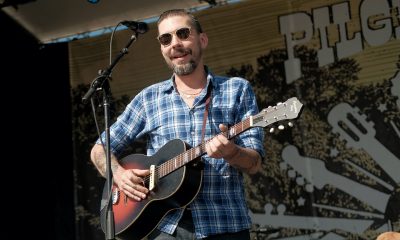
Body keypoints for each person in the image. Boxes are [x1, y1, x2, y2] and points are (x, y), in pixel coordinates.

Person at [90, 9, 265, 239]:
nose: (175, 43)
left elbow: (254, 163)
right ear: (162, 48)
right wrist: (119, 175)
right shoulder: (149, 98)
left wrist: (231, 152)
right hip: (165, 229)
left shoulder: (237, 89)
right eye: (166, 38)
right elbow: (100, 148)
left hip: (224, 224)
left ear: (202, 40)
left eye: (183, 34)